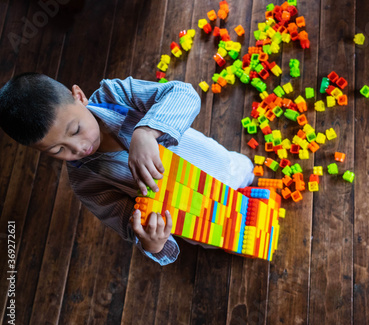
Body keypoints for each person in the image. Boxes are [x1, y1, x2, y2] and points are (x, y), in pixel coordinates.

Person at [0, 73, 254, 265]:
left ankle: (249, 180)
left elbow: (183, 94)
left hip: (219, 163)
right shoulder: (84, 182)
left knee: (244, 171)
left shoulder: (115, 94)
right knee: (229, 239)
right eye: (57, 150)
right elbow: (126, 222)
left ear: (79, 96)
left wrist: (145, 132)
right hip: (200, 217)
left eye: (76, 130)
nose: (79, 148)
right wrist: (151, 242)